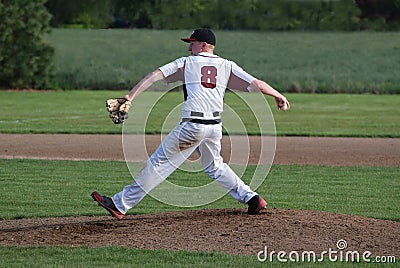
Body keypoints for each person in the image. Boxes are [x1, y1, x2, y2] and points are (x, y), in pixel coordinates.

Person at [92, 28, 290, 219]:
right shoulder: (228, 65)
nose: (189, 48)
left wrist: (130, 95)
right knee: (215, 166)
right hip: (214, 127)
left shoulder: (186, 62)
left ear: (204, 45)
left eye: (192, 44)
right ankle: (252, 199)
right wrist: (278, 95)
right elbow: (256, 84)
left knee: (158, 164)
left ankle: (120, 204)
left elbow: (155, 75)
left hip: (192, 127)